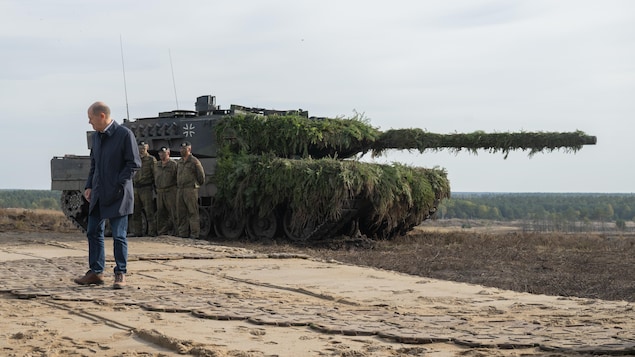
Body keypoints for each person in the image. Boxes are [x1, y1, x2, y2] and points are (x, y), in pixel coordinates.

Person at [74, 101, 141, 289]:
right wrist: (89, 186)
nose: (89, 122)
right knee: (93, 231)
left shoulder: (124, 135)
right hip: (99, 192)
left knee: (119, 235)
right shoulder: (97, 137)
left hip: (119, 194)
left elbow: (133, 164)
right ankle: (96, 271)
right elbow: (94, 163)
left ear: (102, 116)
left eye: (91, 118)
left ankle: (120, 273)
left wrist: (118, 184)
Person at [176, 141, 205, 238]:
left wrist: (195, 185)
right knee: (181, 212)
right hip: (180, 189)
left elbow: (201, 176)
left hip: (190, 189)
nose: (182, 151)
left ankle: (194, 234)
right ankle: (182, 233)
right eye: (181, 149)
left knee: (193, 212)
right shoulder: (179, 161)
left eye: (184, 149)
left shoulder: (194, 161)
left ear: (189, 149)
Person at [130, 141, 158, 236]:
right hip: (136, 188)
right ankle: (137, 232)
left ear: (147, 148)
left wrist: (155, 186)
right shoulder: (135, 159)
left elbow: (155, 174)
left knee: (149, 211)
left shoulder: (151, 160)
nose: (141, 150)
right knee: (135, 211)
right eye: (140, 148)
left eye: (143, 148)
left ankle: (152, 231)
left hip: (146, 187)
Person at [155, 146, 178, 235]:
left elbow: (177, 177)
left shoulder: (173, 164)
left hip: (170, 190)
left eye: (163, 153)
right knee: (161, 212)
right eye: (160, 153)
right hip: (160, 191)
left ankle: (177, 231)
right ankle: (161, 231)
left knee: (173, 211)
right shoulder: (157, 165)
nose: (161, 154)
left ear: (168, 153)